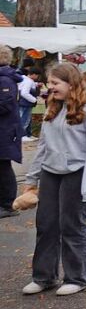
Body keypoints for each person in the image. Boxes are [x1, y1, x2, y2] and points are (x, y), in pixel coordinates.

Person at [21, 63, 86, 296]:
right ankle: (44, 276)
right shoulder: (54, 106)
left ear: (71, 83)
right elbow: (44, 145)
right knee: (46, 224)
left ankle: (78, 277)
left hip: (77, 173)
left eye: (54, 83)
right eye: (49, 83)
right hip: (51, 172)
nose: (50, 88)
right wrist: (32, 177)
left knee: (72, 225)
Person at [0, 48, 22, 218]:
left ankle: (8, 204)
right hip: (4, 129)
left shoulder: (5, 80)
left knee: (3, 165)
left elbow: (5, 105)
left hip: (5, 130)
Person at [18, 65, 41, 140]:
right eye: (37, 75)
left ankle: (28, 134)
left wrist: (37, 84)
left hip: (22, 102)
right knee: (25, 119)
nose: (37, 77)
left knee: (27, 119)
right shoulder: (28, 81)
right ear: (34, 74)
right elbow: (24, 93)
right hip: (25, 102)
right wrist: (34, 100)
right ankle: (22, 135)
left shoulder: (24, 79)